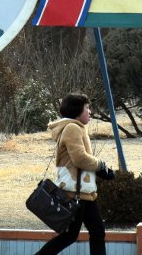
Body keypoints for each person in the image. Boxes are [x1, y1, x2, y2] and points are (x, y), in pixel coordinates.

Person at [35, 93, 115, 255]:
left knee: (96, 232)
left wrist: (100, 169)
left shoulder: (76, 127)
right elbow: (79, 158)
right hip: (75, 193)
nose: (90, 111)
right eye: (87, 108)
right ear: (77, 110)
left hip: (84, 192)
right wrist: (101, 166)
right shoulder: (72, 128)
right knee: (71, 235)